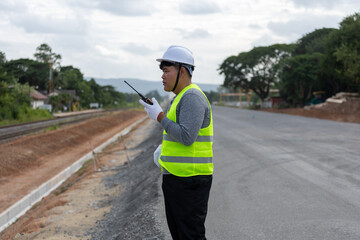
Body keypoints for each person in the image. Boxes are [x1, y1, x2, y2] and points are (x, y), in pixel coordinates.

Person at [139, 45, 214, 240]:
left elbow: (187, 137)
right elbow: (178, 134)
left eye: (166, 71)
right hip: (178, 178)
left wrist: (159, 116)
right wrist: (163, 150)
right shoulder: (180, 97)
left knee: (190, 236)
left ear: (182, 71)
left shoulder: (192, 97)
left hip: (189, 179)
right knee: (181, 235)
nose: (162, 76)